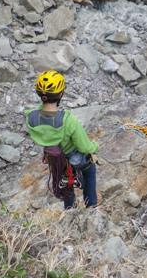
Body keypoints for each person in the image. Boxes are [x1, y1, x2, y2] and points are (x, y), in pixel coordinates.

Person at [25, 70, 98, 210]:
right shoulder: (68, 120)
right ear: (60, 94)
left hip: (56, 160)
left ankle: (69, 209)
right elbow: (84, 147)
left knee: (64, 182)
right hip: (73, 157)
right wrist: (95, 146)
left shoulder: (31, 118)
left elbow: (41, 113)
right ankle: (91, 207)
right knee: (90, 171)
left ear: (39, 94)